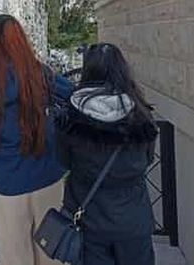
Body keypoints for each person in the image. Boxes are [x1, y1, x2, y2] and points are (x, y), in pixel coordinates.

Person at [0, 15, 72, 265]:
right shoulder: (38, 73)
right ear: (20, 40)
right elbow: (73, 96)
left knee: (15, 257)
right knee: (52, 254)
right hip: (48, 174)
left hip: (8, 179)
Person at [54, 43, 158, 265]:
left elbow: (63, 160)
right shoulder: (141, 116)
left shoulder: (71, 118)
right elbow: (147, 159)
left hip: (89, 219)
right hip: (133, 218)